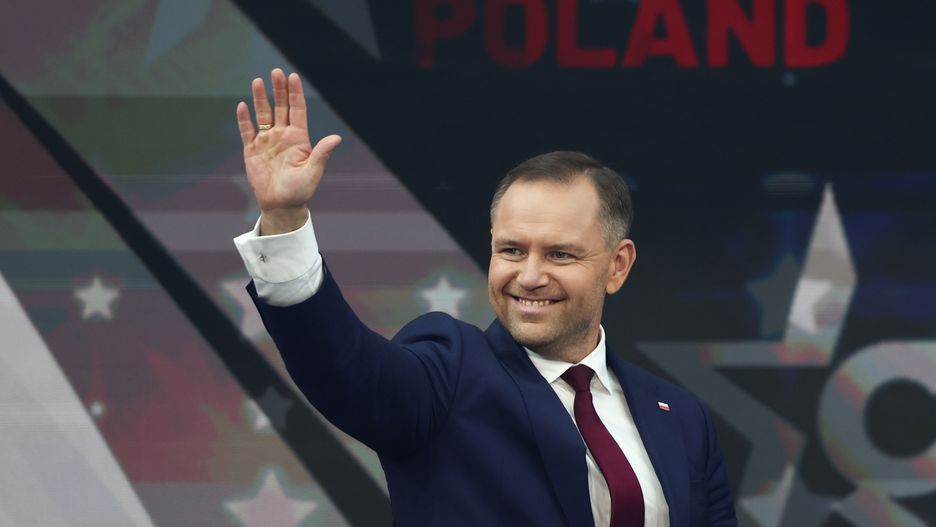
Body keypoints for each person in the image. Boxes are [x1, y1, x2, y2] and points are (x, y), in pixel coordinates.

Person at [233, 68, 737, 527]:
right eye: (511, 250)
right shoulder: (449, 374)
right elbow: (344, 370)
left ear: (618, 265)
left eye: (560, 254)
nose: (529, 276)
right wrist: (284, 220)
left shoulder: (681, 418)